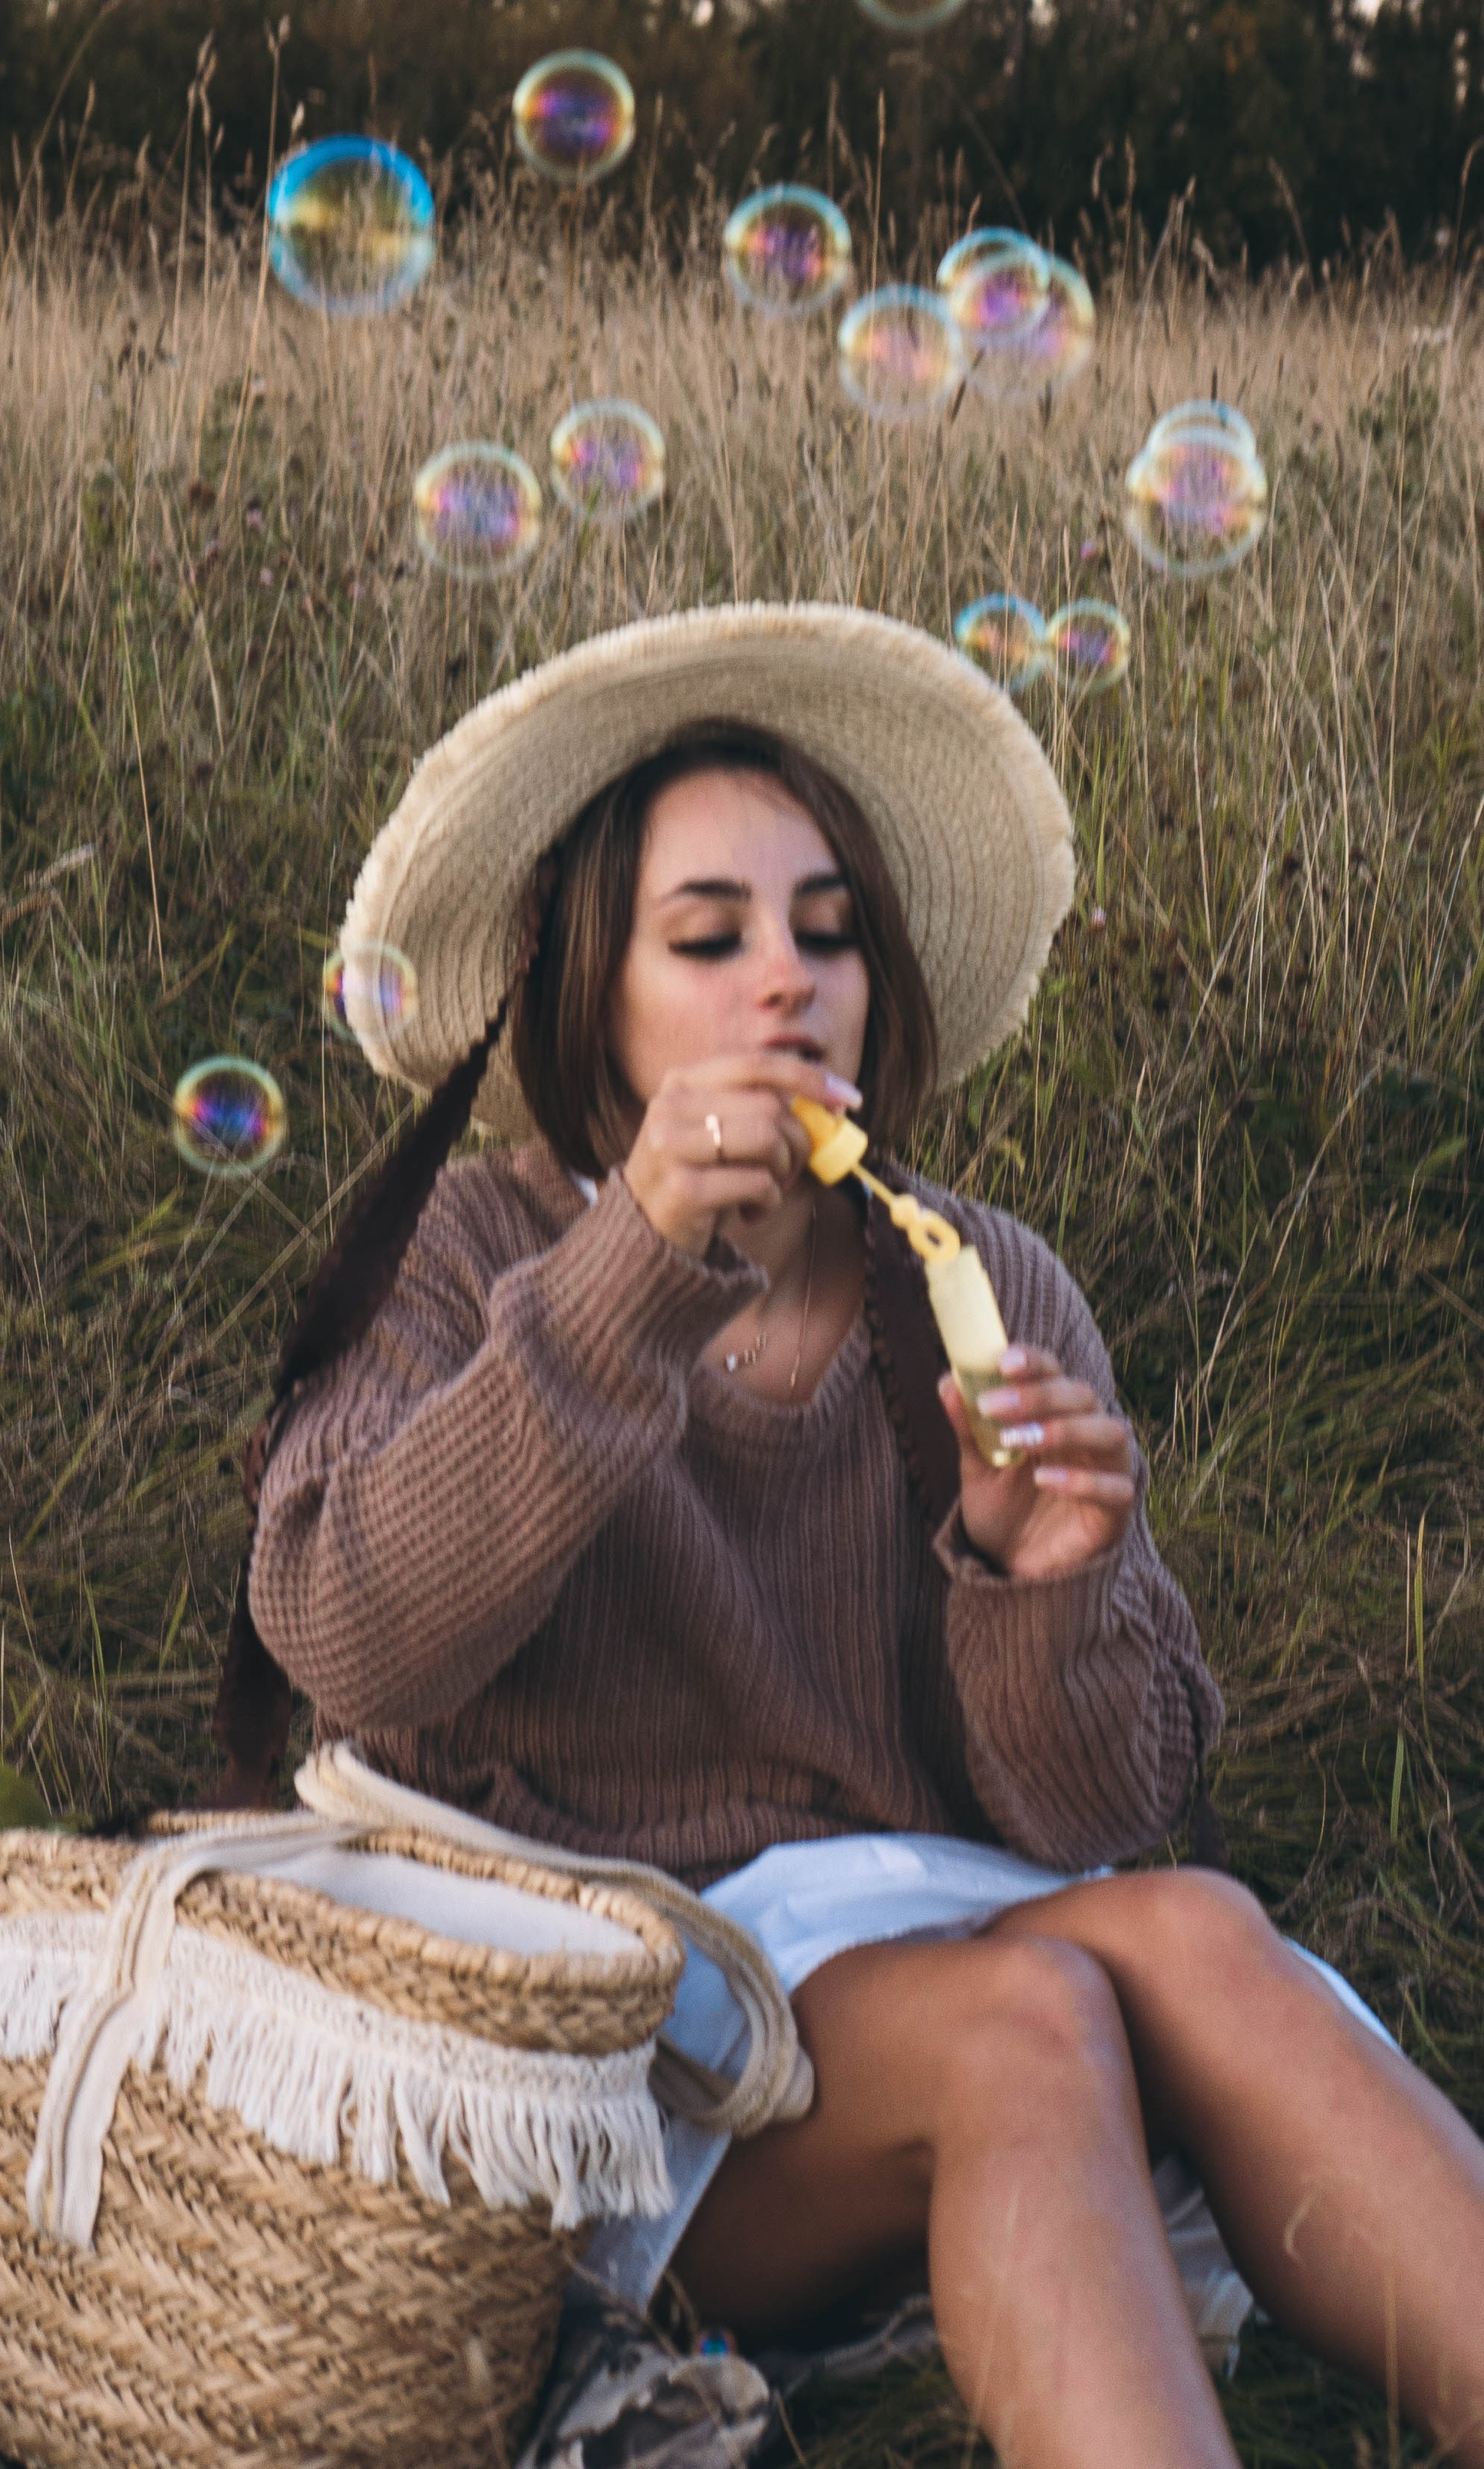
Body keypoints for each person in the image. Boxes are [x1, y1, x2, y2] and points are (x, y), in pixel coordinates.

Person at [236, 604, 1484, 2469]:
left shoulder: (972, 1283)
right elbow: (347, 1636)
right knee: (1025, 2015)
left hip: (921, 2000)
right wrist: (630, 1274)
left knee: (1196, 1930)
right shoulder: (468, 1253)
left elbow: (1097, 1806)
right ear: (590, 988)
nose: (784, 984)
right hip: (600, 2072)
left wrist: (1041, 1587)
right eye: (707, 938)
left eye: (825, 933)